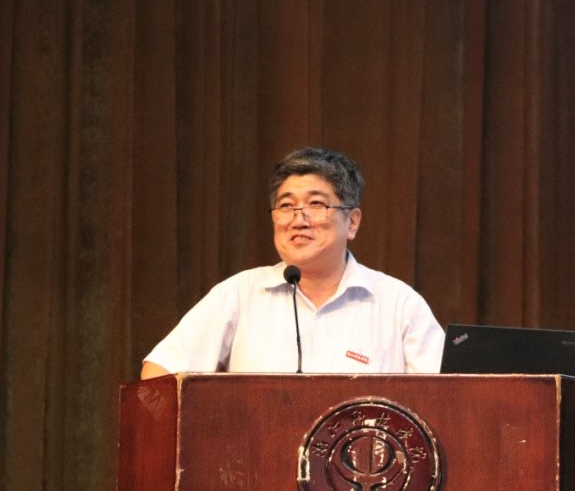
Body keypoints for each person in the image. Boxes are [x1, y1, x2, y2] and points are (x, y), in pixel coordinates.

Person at [141, 147, 444, 377]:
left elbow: (448, 398)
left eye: (316, 204)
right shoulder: (240, 293)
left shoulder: (398, 303)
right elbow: (159, 372)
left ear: (352, 222)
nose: (299, 219)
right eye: (286, 205)